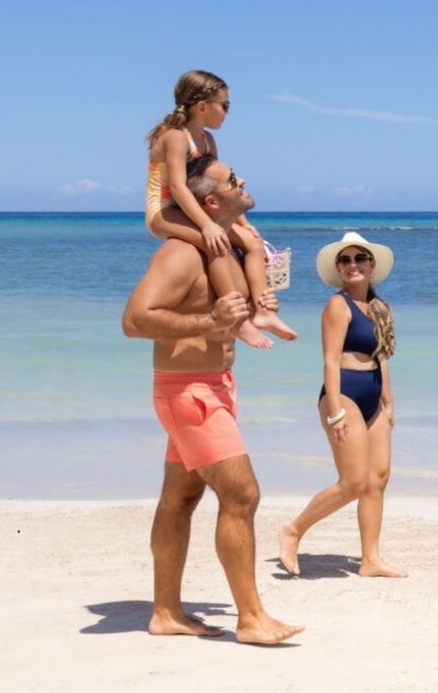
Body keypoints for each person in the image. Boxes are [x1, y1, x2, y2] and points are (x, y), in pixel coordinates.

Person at [122, 156, 303, 644]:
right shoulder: (181, 254)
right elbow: (135, 320)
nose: (243, 181)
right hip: (190, 392)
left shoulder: (219, 250)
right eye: (231, 180)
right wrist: (209, 324)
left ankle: (166, 613)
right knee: (242, 495)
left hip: (211, 385)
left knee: (180, 498)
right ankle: (250, 619)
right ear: (210, 201)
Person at [278, 232, 406, 578]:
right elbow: (331, 361)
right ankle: (293, 530)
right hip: (345, 393)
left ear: (371, 264)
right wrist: (334, 409)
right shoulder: (338, 305)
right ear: (338, 269)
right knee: (352, 481)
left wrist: (389, 402)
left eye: (359, 258)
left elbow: (382, 357)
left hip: (374, 396)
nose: (353, 265)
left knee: (378, 478)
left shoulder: (378, 307)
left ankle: (371, 560)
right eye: (345, 260)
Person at [145, 69, 296, 348]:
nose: (227, 112)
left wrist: (244, 223)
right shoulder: (176, 137)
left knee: (252, 241)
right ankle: (238, 323)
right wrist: (207, 225)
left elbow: (219, 189)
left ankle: (264, 313)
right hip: (163, 212)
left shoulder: (208, 140)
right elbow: (178, 187)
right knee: (213, 243)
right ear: (202, 107)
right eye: (224, 105)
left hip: (194, 206)